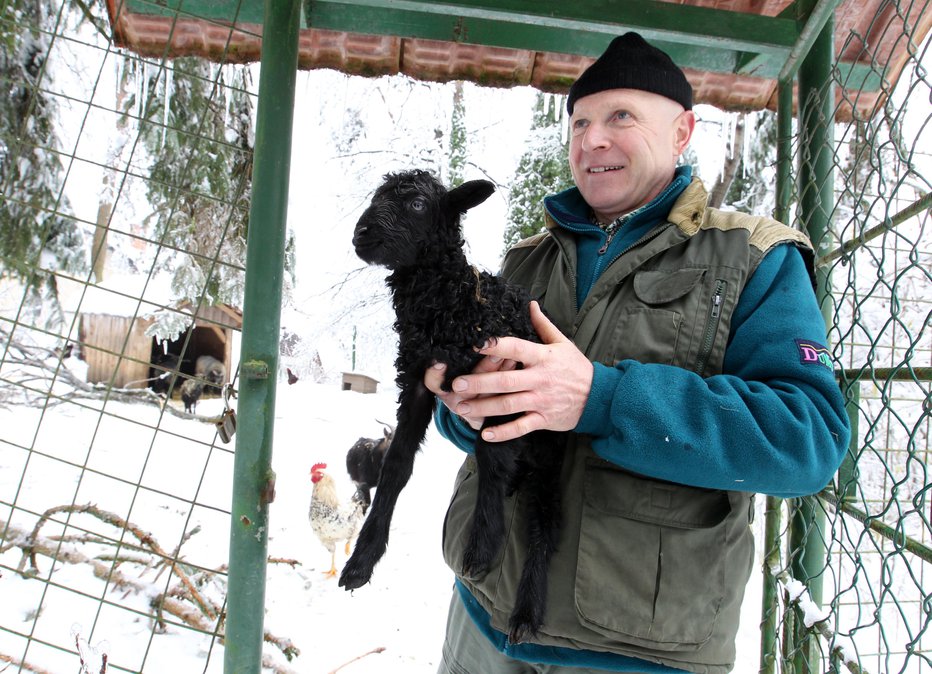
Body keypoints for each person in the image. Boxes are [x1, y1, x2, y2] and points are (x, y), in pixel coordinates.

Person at [424, 32, 851, 674]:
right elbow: (482, 427)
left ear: (682, 132)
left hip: (637, 652)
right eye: (580, 122)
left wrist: (603, 399)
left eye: (620, 116)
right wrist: (463, 404)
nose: (592, 138)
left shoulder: (755, 257)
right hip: (482, 619)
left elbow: (808, 441)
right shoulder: (524, 259)